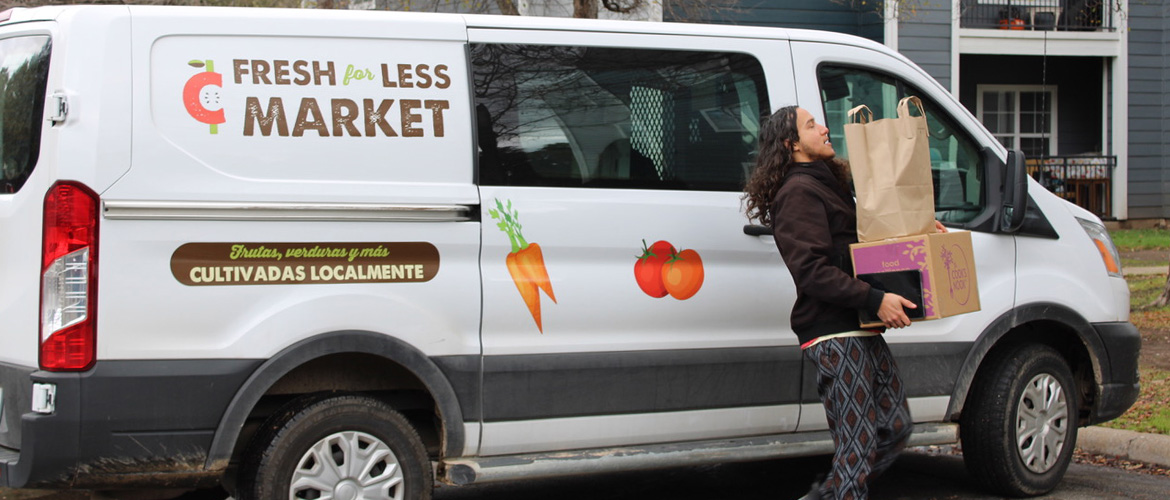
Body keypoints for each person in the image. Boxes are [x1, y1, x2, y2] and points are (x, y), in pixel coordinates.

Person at [744, 106, 942, 500]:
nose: (825, 128)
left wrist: (919, 232)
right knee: (859, 448)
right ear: (793, 143)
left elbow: (859, 248)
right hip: (833, 333)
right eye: (812, 125)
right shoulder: (797, 192)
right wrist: (876, 298)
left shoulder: (826, 183)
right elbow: (813, 271)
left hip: (859, 323)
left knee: (894, 427)